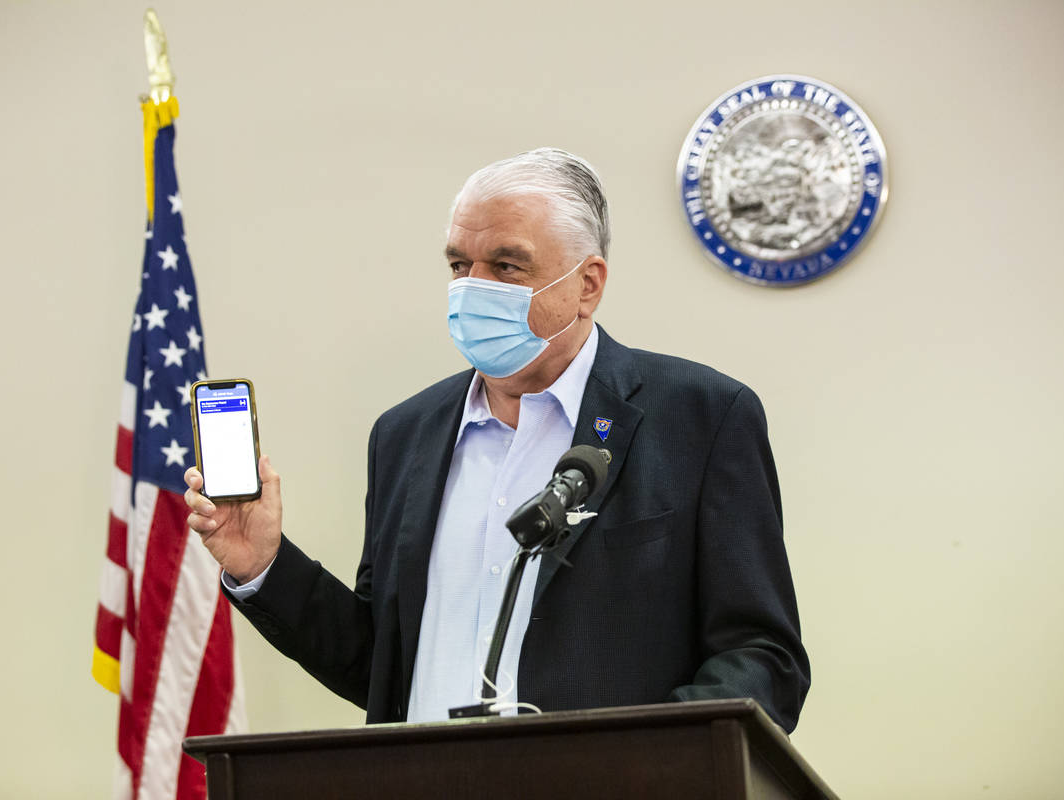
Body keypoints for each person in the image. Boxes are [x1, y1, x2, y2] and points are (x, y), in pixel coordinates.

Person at [184, 148, 811, 732]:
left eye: (505, 266)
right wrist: (262, 566)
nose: (470, 288)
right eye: (460, 265)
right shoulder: (404, 435)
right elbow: (384, 663)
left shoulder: (701, 417)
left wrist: (644, 764)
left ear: (587, 283)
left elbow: (762, 657)